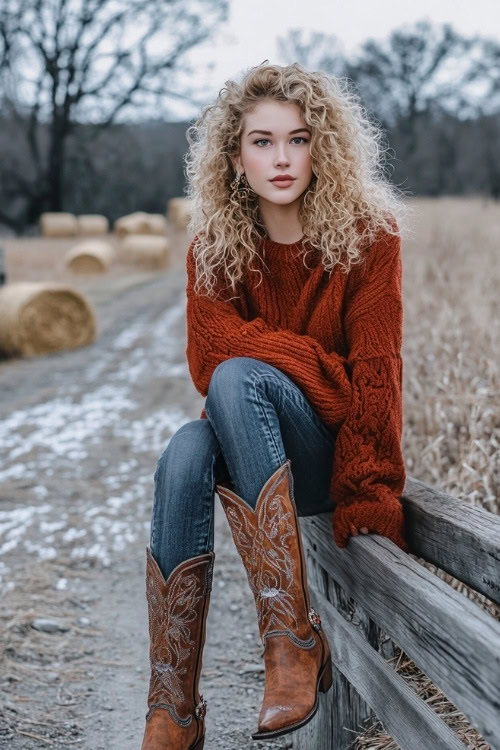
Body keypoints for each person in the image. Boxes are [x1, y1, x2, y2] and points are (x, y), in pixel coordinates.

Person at [140, 61, 412, 750]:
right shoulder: (216, 251)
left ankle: (291, 644)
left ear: (324, 147)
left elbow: (375, 379)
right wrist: (323, 368)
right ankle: (173, 708)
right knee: (185, 450)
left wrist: (369, 497)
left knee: (238, 378)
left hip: (323, 459)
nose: (282, 158)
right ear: (235, 156)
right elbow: (208, 354)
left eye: (298, 139)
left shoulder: (369, 239)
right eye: (262, 142)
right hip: (254, 449)